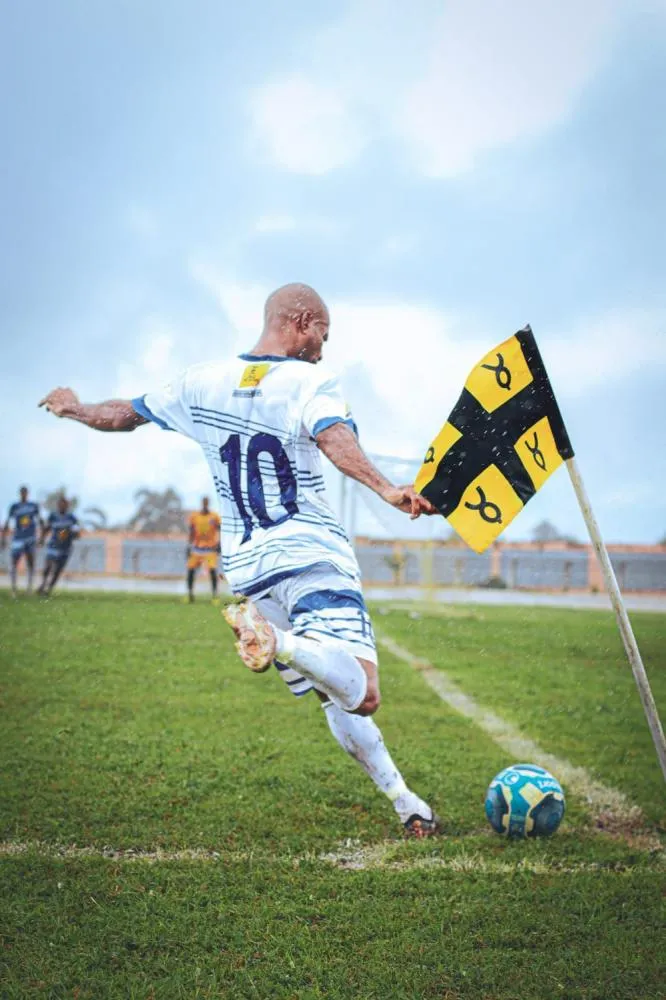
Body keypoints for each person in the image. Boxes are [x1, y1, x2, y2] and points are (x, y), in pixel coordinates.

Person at [39, 282, 441, 837]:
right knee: (363, 693)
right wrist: (386, 488)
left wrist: (74, 408)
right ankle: (277, 641)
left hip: (250, 570)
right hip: (310, 554)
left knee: (331, 696)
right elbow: (333, 437)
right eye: (323, 335)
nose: (323, 349)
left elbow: (124, 414)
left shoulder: (200, 382)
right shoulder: (311, 381)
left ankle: (406, 804)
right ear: (302, 321)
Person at [2, 486, 42, 597]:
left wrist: (41, 537)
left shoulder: (33, 506)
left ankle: (29, 588)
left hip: (30, 538)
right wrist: (3, 538)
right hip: (18, 538)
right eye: (22, 492)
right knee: (14, 562)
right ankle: (14, 588)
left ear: (27, 493)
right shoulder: (14, 506)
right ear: (20, 493)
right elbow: (7, 522)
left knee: (31, 563)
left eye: (25, 492)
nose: (24, 494)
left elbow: (40, 520)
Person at [37, 496, 80, 597]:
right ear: (58, 505)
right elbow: (47, 528)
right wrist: (41, 539)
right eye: (60, 504)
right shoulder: (53, 516)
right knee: (48, 566)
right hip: (53, 545)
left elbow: (77, 534)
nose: (62, 506)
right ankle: (43, 583)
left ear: (67, 506)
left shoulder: (71, 518)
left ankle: (49, 589)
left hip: (65, 548)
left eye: (64, 505)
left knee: (57, 570)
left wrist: (73, 533)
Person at [186, 496, 221, 603]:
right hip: (197, 548)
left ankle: (215, 596)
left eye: (207, 502)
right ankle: (190, 595)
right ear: (202, 503)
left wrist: (219, 543)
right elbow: (191, 531)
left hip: (210, 548)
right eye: (204, 502)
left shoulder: (214, 516)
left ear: (208, 503)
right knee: (191, 570)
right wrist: (188, 546)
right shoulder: (195, 516)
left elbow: (219, 530)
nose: (205, 504)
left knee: (212, 570)